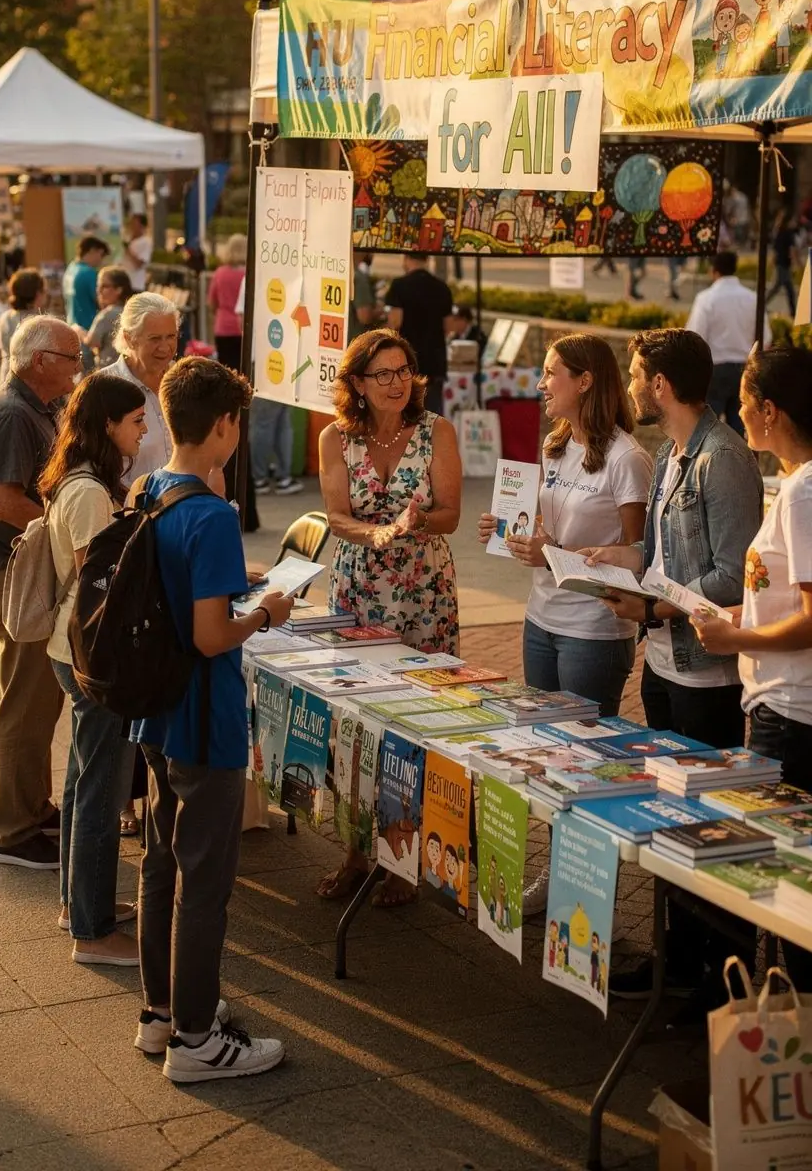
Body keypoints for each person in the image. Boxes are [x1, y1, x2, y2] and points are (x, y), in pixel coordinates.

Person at [586, 328, 762, 1006]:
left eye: (636, 375)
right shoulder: (672, 452)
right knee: (669, 822)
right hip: (663, 663)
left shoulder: (723, 459)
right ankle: (677, 961)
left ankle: (718, 976)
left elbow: (731, 577)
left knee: (707, 827)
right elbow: (662, 555)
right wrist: (617, 559)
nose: (631, 386)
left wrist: (653, 608)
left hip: (704, 673)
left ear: (660, 384)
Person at [130, 356, 292, 1081]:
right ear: (225, 425)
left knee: (161, 864)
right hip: (206, 718)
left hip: (157, 713)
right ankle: (197, 1041)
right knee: (204, 884)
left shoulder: (150, 490)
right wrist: (266, 613)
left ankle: (162, 1013)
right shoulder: (212, 515)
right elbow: (210, 636)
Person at [318, 329, 461, 905]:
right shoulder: (335, 437)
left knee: (416, 717)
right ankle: (356, 851)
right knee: (355, 720)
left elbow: (450, 514)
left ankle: (404, 857)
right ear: (357, 382)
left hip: (423, 590)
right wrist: (375, 533)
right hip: (358, 588)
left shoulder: (436, 430)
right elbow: (335, 516)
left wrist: (414, 523)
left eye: (404, 370)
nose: (397, 382)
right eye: (383, 373)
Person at [693, 345, 812, 990]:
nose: (737, 414)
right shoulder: (794, 486)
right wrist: (743, 614)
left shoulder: (803, 493)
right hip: (784, 706)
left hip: (791, 713)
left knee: (792, 895)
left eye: (743, 403)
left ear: (771, 411)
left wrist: (737, 636)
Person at [478, 334, 651, 714]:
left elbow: (638, 555)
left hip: (592, 628)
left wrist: (552, 554)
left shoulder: (627, 459)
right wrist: (509, 530)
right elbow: (556, 527)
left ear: (584, 381)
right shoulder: (554, 446)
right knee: (541, 733)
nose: (541, 384)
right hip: (540, 616)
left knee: (584, 738)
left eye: (550, 373)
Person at [41, 373, 148, 964]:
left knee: (83, 782)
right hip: (90, 654)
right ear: (108, 425)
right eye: (136, 421)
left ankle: (75, 904)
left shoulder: (82, 480)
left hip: (73, 649)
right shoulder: (86, 491)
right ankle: (93, 930)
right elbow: (99, 582)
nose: (143, 430)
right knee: (100, 793)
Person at [0, 316, 82, 869]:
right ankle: (9, 828)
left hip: (29, 569)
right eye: (73, 356)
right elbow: (4, 501)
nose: (80, 365)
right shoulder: (13, 413)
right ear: (41, 361)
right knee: (24, 701)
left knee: (41, 696)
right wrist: (64, 529)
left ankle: (30, 804)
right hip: (16, 573)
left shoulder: (41, 407)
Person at [686, 251, 772, 436]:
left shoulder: (706, 298)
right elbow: (765, 338)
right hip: (746, 369)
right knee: (739, 431)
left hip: (714, 369)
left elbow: (694, 337)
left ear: (713, 271)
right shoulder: (752, 298)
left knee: (706, 432)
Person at [98, 292, 180, 479]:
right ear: (129, 338)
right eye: (154, 339)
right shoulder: (103, 389)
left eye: (171, 336)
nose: (165, 347)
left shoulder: (184, 381)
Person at [233, 277, 300, 498]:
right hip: (286, 356)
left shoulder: (255, 275)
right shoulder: (295, 276)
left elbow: (241, 320)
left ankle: (261, 477)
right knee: (281, 420)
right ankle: (281, 477)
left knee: (266, 421)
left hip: (263, 357)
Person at [385, 253, 454, 413]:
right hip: (435, 362)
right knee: (432, 415)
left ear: (406, 259)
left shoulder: (399, 286)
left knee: (406, 414)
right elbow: (449, 327)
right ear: (427, 259)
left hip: (406, 361)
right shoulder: (442, 287)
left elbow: (395, 323)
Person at [63, 236, 109, 368]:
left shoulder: (70, 269)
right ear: (92, 250)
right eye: (101, 254)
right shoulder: (88, 273)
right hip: (88, 334)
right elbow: (102, 302)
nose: (101, 260)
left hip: (72, 329)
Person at [0, 268, 47, 384]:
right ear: (37, 294)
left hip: (5, 377)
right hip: (28, 383)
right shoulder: (39, 322)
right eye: (44, 290)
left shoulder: (4, 317)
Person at [207, 234, 247, 371]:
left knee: (225, 370)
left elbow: (212, 302)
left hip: (222, 328)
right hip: (244, 329)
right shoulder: (249, 274)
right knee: (243, 371)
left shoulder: (220, 273)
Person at [84, 266, 133, 369]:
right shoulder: (132, 312)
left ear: (119, 289)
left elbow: (92, 342)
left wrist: (78, 331)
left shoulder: (107, 314)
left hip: (107, 370)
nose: (99, 291)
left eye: (104, 286)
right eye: (98, 286)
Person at [766, 208, 799, 317]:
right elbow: (792, 250)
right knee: (783, 288)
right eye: (793, 220)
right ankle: (760, 304)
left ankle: (793, 311)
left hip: (780, 263)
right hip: (784, 264)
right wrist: (797, 264)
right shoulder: (788, 233)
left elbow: (775, 249)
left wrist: (772, 261)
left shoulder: (778, 232)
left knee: (783, 288)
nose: (794, 222)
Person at [348, 250, 383, 344]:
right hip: (357, 345)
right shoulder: (359, 278)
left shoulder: (341, 272)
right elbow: (364, 316)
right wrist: (380, 311)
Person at [121, 211, 153, 293]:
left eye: (134, 224)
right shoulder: (128, 240)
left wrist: (128, 250)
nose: (131, 227)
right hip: (122, 284)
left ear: (142, 226)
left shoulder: (146, 242)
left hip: (135, 286)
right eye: (131, 224)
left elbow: (139, 263)